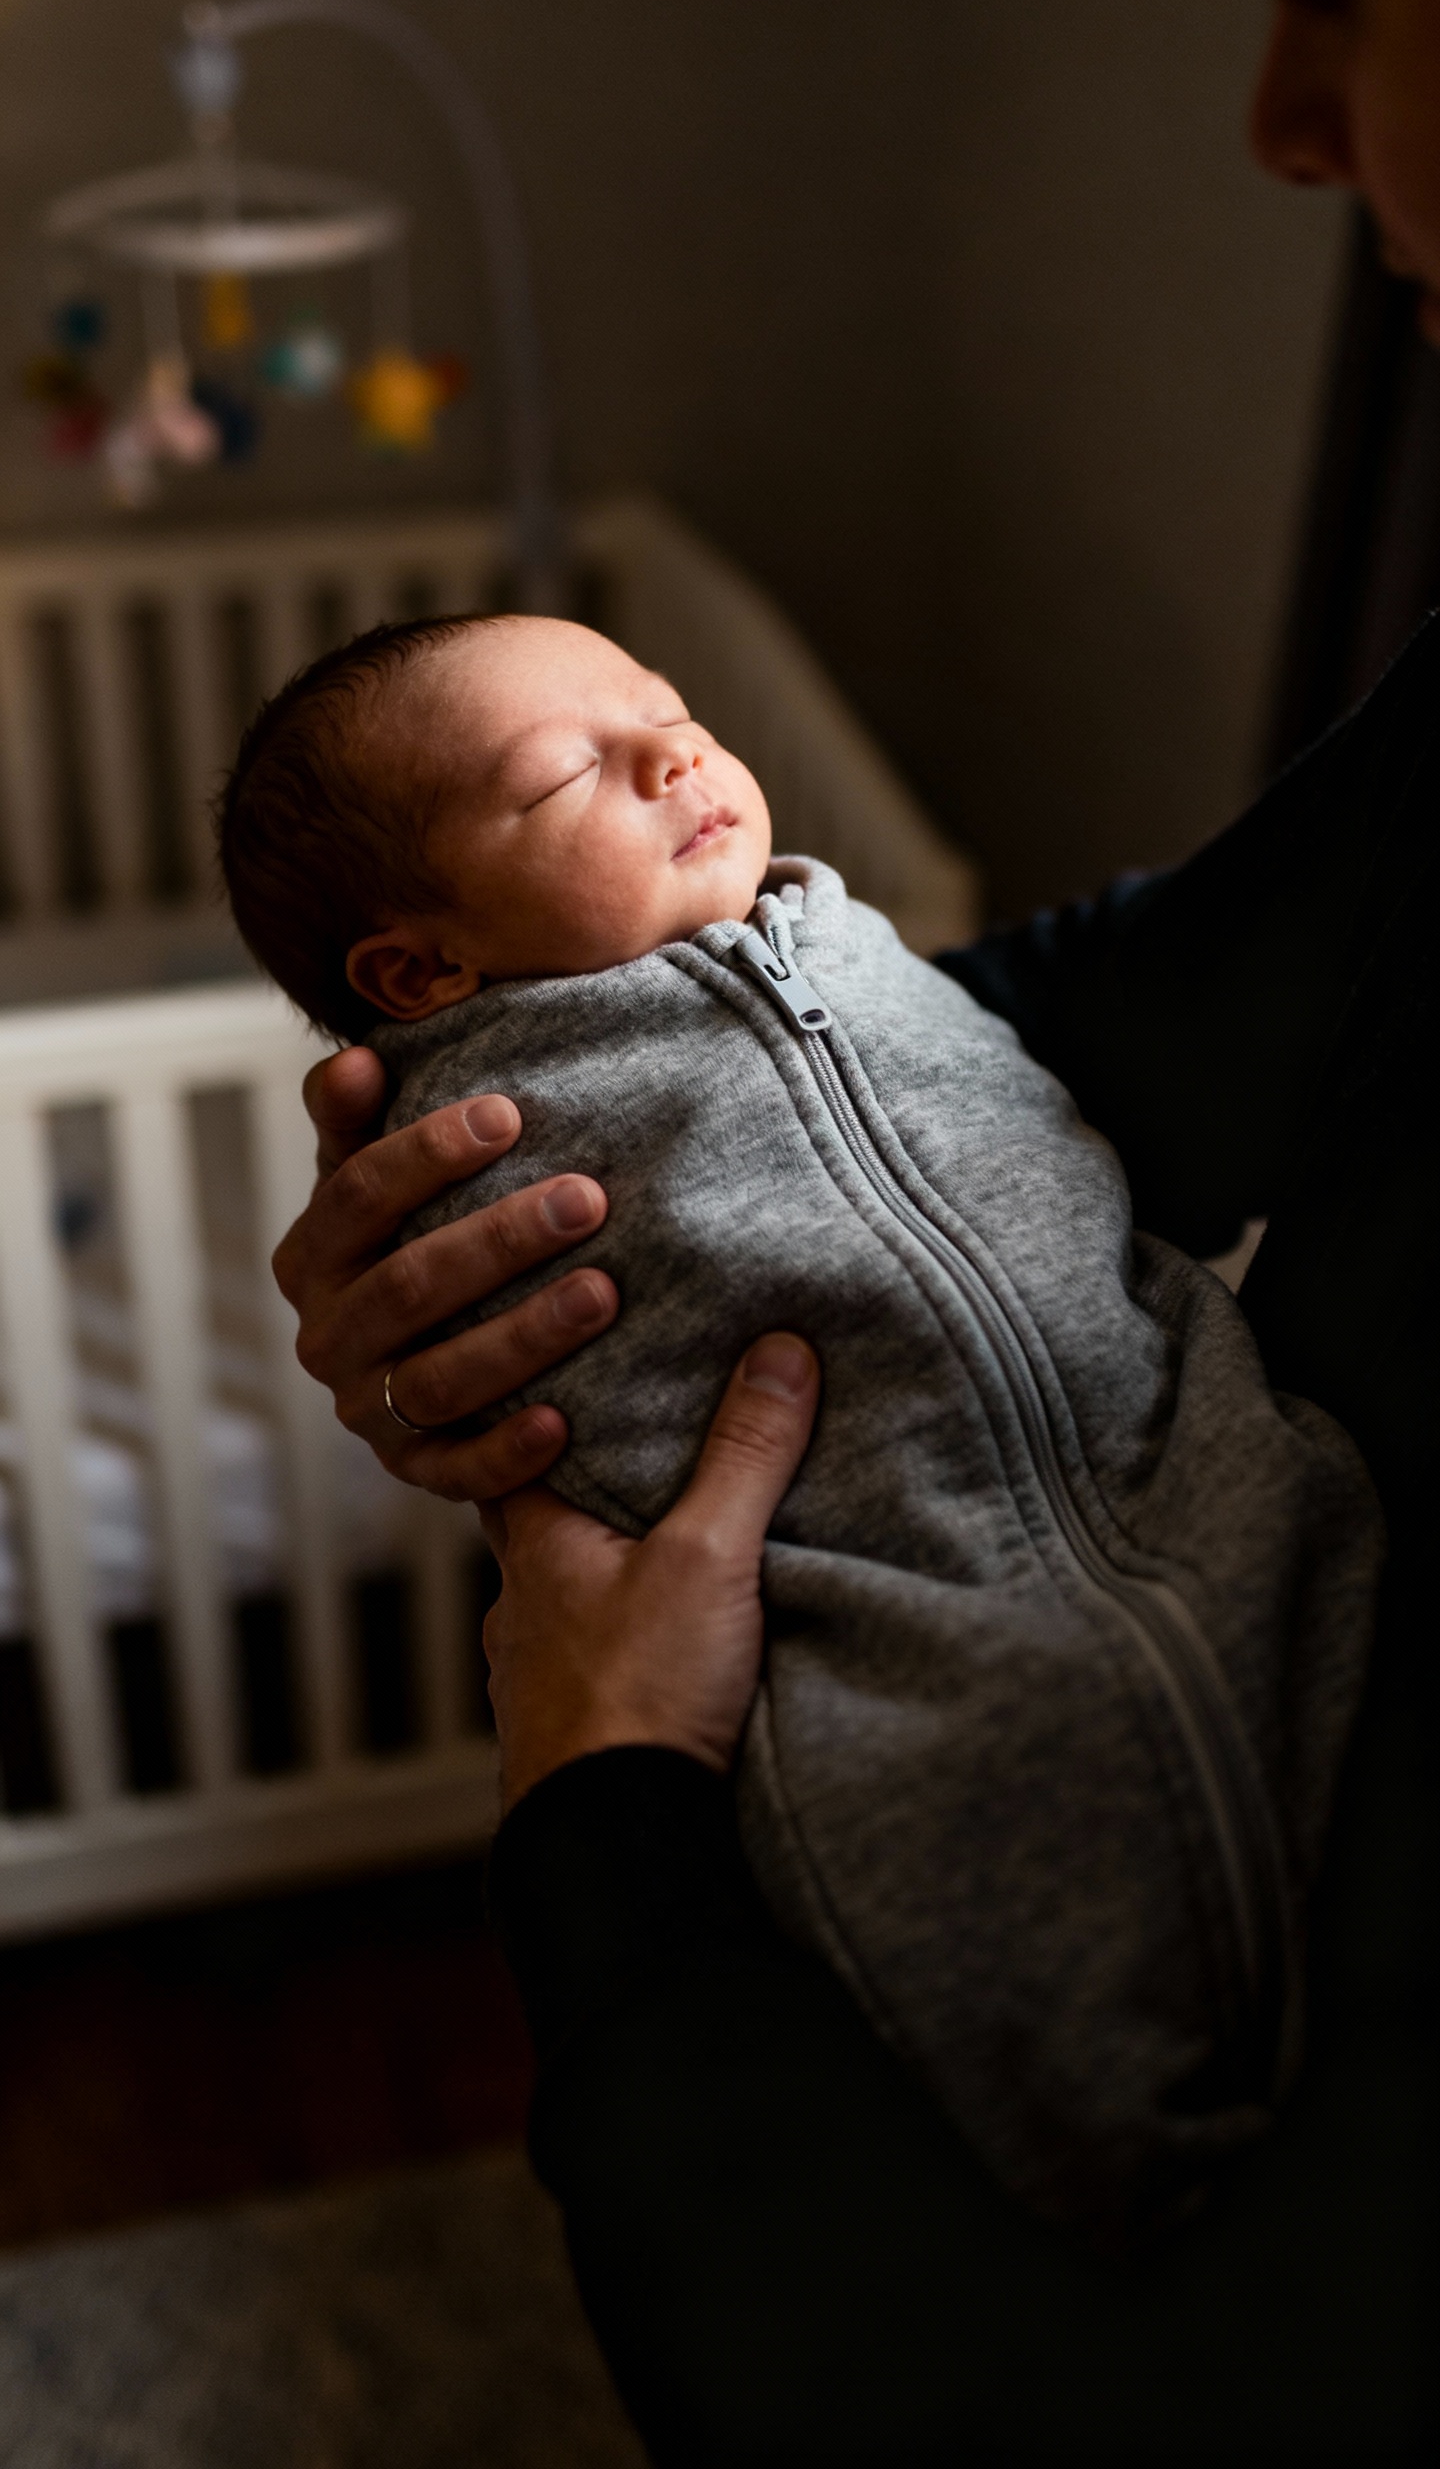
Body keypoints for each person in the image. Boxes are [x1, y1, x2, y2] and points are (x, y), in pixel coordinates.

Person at [273, 0, 1438, 2457]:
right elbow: (1144, 1009)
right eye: (593, 765)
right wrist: (453, 1285)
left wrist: (602, 1808)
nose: (1274, 121)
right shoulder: (544, 1076)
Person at [222, 610, 1379, 2241]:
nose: (676, 753)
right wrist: (426, 1337)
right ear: (421, 972)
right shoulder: (481, 1117)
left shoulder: (846, 948)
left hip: (1219, 1491)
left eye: (669, 711)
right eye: (572, 769)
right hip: (888, 1624)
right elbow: (1135, 1012)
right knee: (991, 1994)